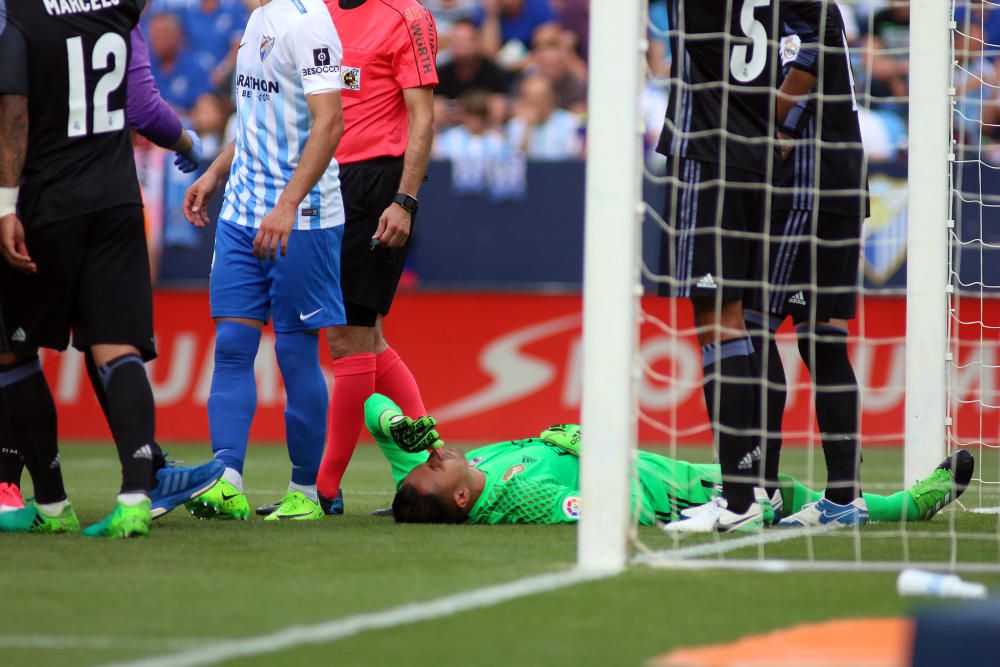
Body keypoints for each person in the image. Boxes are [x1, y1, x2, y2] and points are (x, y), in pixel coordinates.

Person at [0, 0, 222, 538]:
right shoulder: (119, 8)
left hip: (48, 201)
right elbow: (142, 102)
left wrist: (6, 204)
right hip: (119, 199)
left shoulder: (23, 16)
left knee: (13, 351)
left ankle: (50, 502)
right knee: (115, 347)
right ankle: (135, 497)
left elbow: (14, 116)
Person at [655, 1, 824, 533]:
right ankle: (752, 490)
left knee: (717, 323)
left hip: (709, 149)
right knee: (743, 324)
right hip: (755, 151)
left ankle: (739, 495)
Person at [182, 0, 347, 521]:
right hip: (241, 215)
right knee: (231, 347)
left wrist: (288, 204)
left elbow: (330, 123)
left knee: (295, 356)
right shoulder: (254, 21)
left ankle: (308, 490)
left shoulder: (308, 22)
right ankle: (227, 478)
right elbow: (256, 120)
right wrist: (214, 173)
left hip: (303, 217)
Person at [362, 394, 974, 527]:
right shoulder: (519, 501)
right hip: (673, 493)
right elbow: (607, 510)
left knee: (782, 486)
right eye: (436, 464)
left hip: (658, 464)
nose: (437, 452)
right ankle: (910, 505)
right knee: (778, 494)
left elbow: (372, 406)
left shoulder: (432, 471)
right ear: (461, 499)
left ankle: (890, 505)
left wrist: (400, 426)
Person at [745, 4, 871, 528]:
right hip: (834, 183)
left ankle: (763, 488)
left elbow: (811, 57)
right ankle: (843, 495)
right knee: (820, 340)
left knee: (751, 326)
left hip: (806, 186)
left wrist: (771, 125)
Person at [313, 0, 438, 512]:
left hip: (377, 184)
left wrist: (404, 200)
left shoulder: (407, 15)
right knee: (369, 338)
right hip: (327, 181)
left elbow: (423, 118)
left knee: (347, 336)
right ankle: (435, 465)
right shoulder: (317, 13)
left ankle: (322, 491)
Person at [506, 74, 582, 159]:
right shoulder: (516, 125)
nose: (537, 104)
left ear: (551, 99)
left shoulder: (570, 122)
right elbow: (516, 163)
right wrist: (527, 130)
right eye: (531, 99)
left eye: (541, 98)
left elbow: (574, 157)